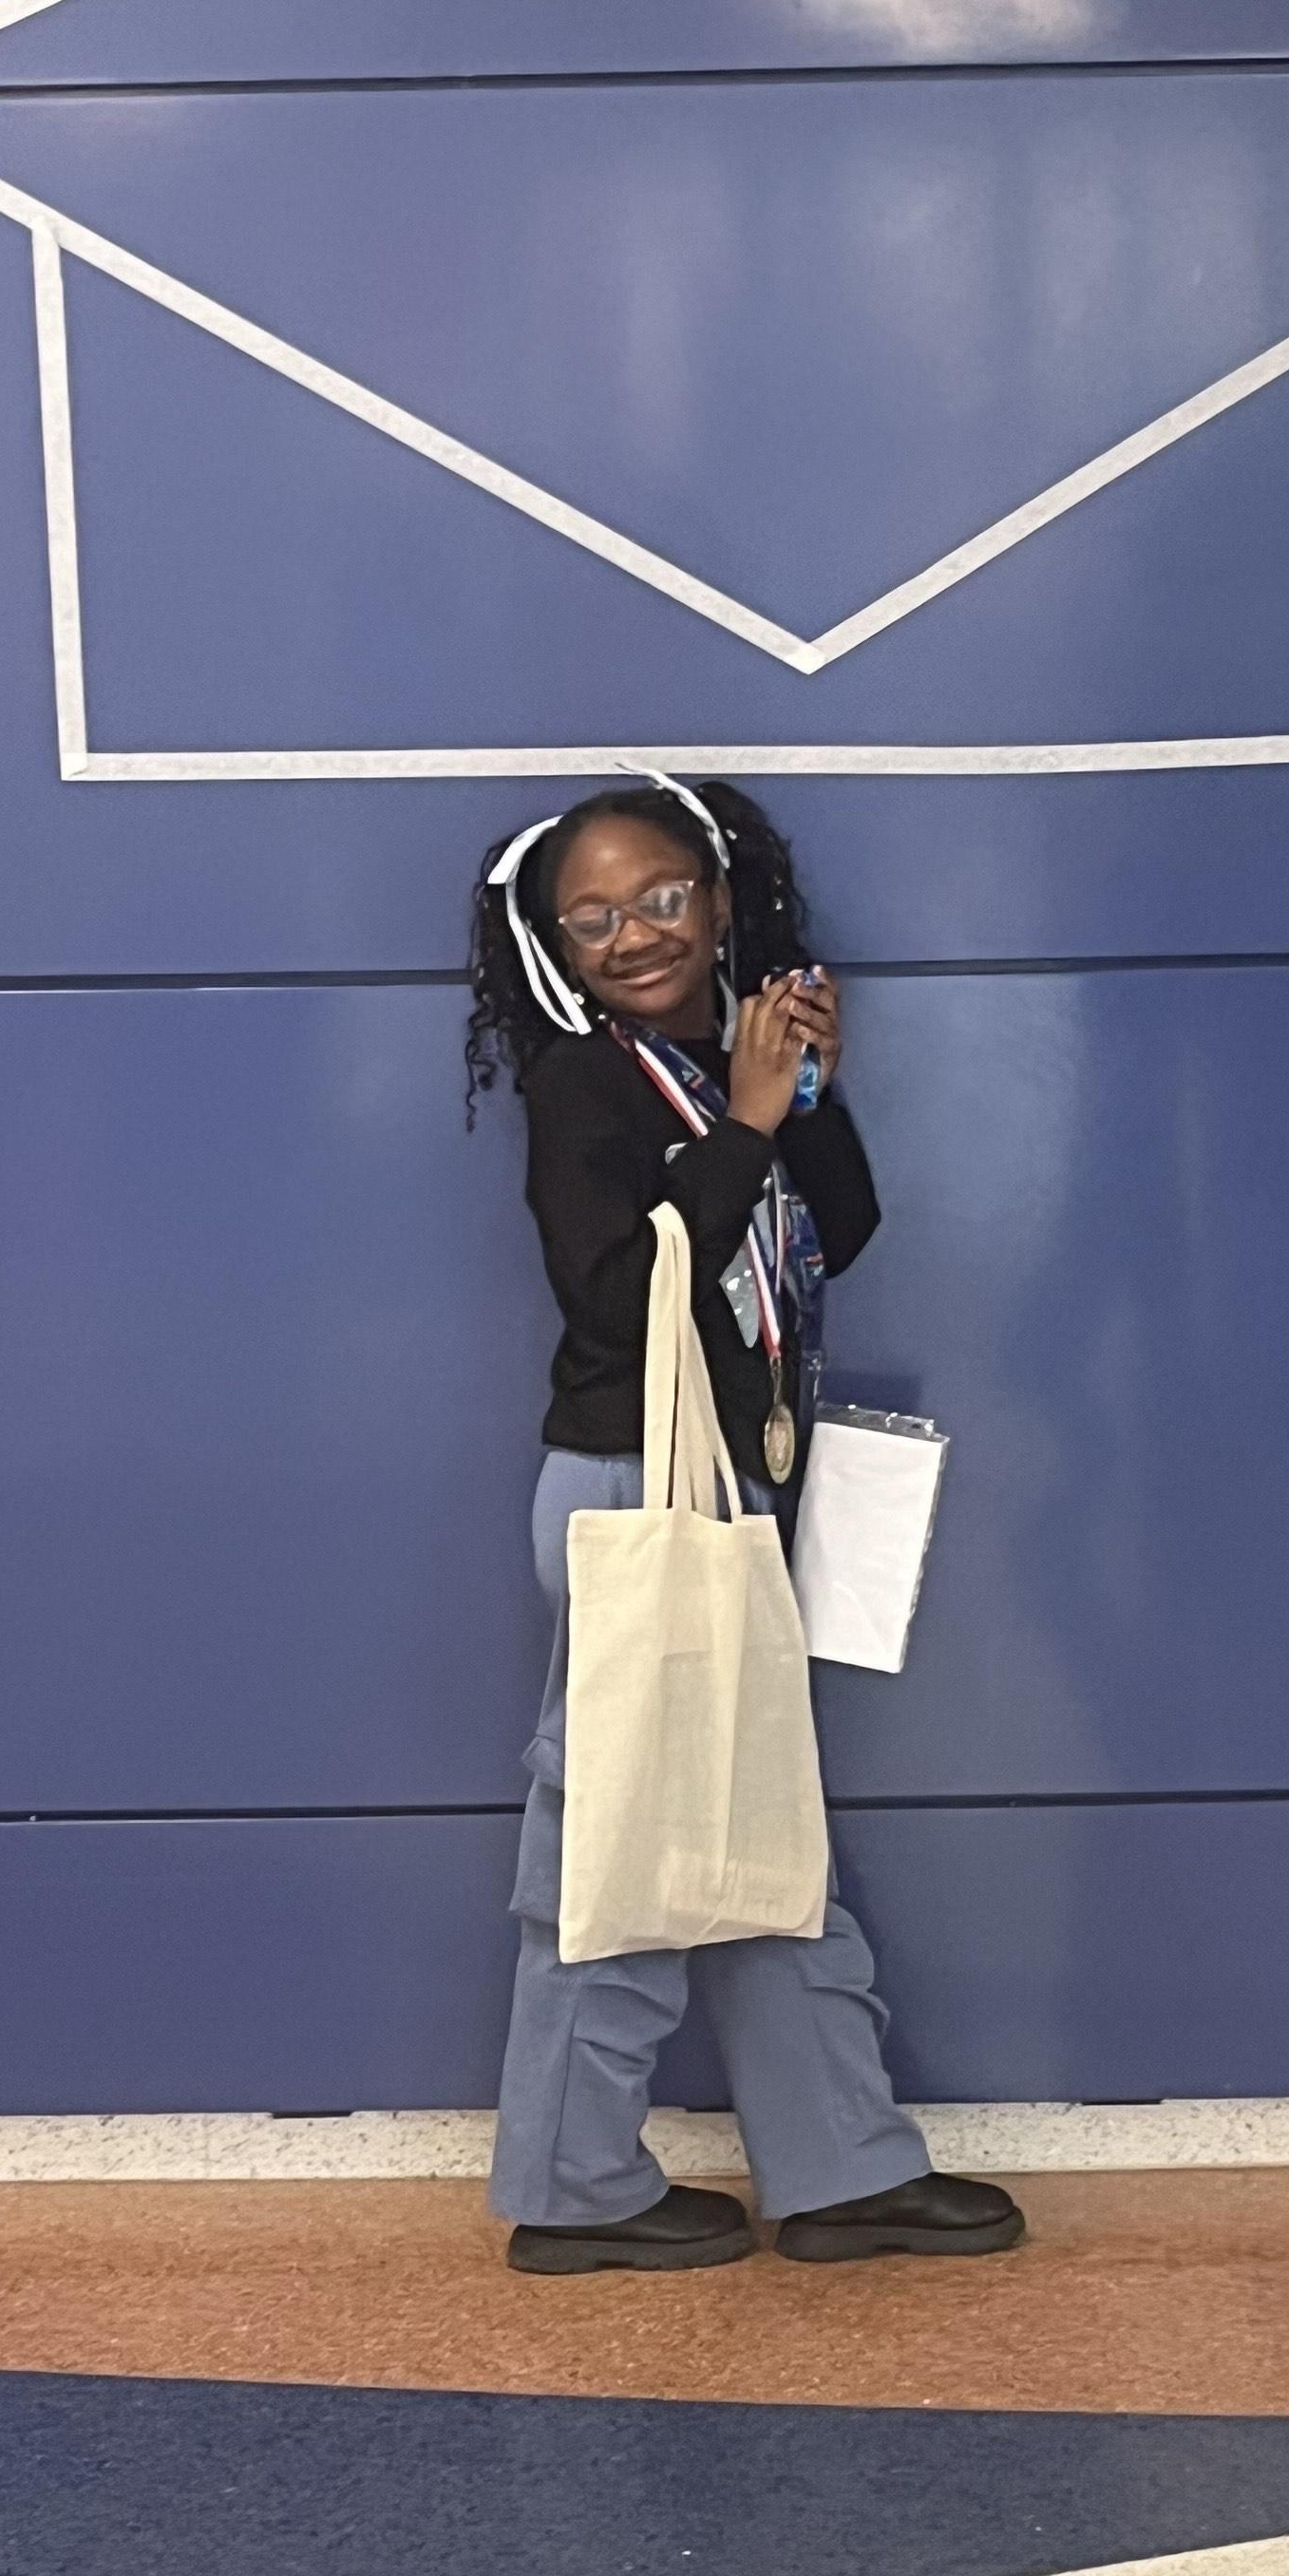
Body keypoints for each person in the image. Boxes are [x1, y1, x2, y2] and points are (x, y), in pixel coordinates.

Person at [465, 772, 1027, 2278]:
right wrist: (751, 1120)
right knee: (624, 1847)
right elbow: (618, 1293)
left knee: (758, 1830)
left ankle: (839, 2169)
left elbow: (840, 1229)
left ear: (720, 901)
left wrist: (805, 1092)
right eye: (591, 919)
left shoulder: (722, 1061)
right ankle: (572, 2188)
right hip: (634, 1490)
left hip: (728, 1485)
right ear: (554, 946)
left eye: (661, 898)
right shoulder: (584, 1085)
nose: (633, 935)